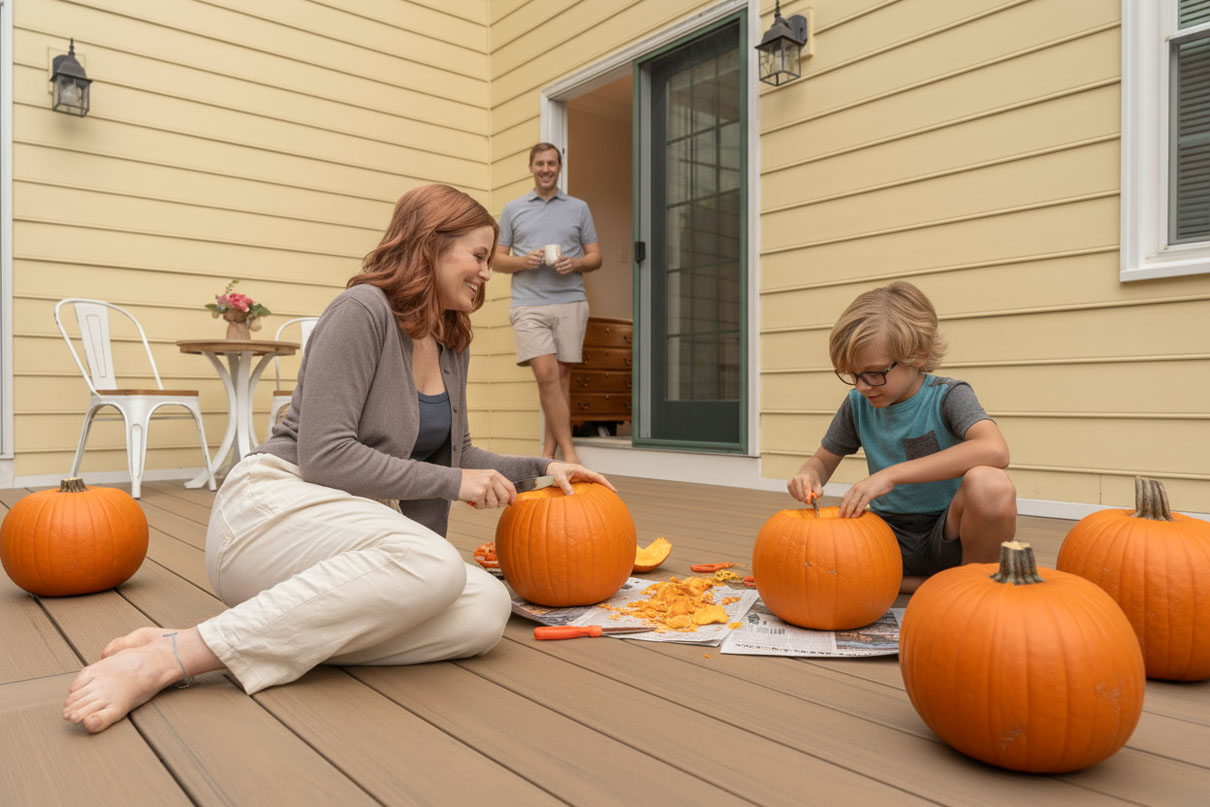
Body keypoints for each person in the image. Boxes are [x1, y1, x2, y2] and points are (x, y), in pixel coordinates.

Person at [63, 184, 613, 734]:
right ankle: (172, 656)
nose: (487, 273)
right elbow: (326, 457)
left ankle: (245, 635)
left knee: (484, 613)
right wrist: (454, 482)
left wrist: (544, 470)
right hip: (271, 511)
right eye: (477, 256)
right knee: (434, 564)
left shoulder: (450, 339)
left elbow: (459, 453)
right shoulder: (362, 310)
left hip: (343, 544)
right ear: (431, 246)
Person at [787, 281, 1015, 594]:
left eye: (875, 372)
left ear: (918, 355)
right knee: (813, 573)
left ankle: (973, 589)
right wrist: (808, 475)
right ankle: (919, 584)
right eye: (854, 376)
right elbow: (821, 461)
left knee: (991, 484)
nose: (864, 386)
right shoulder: (857, 404)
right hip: (886, 536)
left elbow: (995, 450)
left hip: (948, 533)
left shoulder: (948, 396)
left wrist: (890, 476)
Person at [494, 143, 603, 463]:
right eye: (540, 163)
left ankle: (548, 452)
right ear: (531, 167)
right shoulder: (513, 209)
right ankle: (569, 454)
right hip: (528, 304)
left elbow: (596, 256)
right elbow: (497, 260)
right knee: (546, 374)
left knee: (561, 378)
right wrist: (522, 261)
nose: (545, 169)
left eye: (551, 163)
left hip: (570, 301)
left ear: (559, 167)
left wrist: (577, 263)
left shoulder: (578, 208)